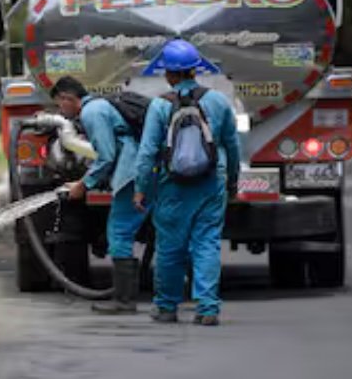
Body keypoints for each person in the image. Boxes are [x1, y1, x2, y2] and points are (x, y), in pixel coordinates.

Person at [133, 39, 241, 326]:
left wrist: (141, 188)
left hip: (172, 187)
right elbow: (232, 146)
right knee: (206, 243)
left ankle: (167, 307)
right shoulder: (218, 101)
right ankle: (207, 308)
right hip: (210, 184)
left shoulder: (159, 106)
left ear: (169, 74)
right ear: (195, 69)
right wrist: (232, 182)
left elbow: (146, 154)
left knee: (170, 247)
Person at [51, 76, 150, 314]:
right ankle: (167, 297)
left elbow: (106, 156)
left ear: (68, 98)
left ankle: (125, 302)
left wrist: (83, 186)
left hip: (131, 175)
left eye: (59, 104)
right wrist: (84, 182)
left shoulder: (91, 113)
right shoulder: (99, 106)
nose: (60, 110)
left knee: (119, 232)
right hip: (140, 170)